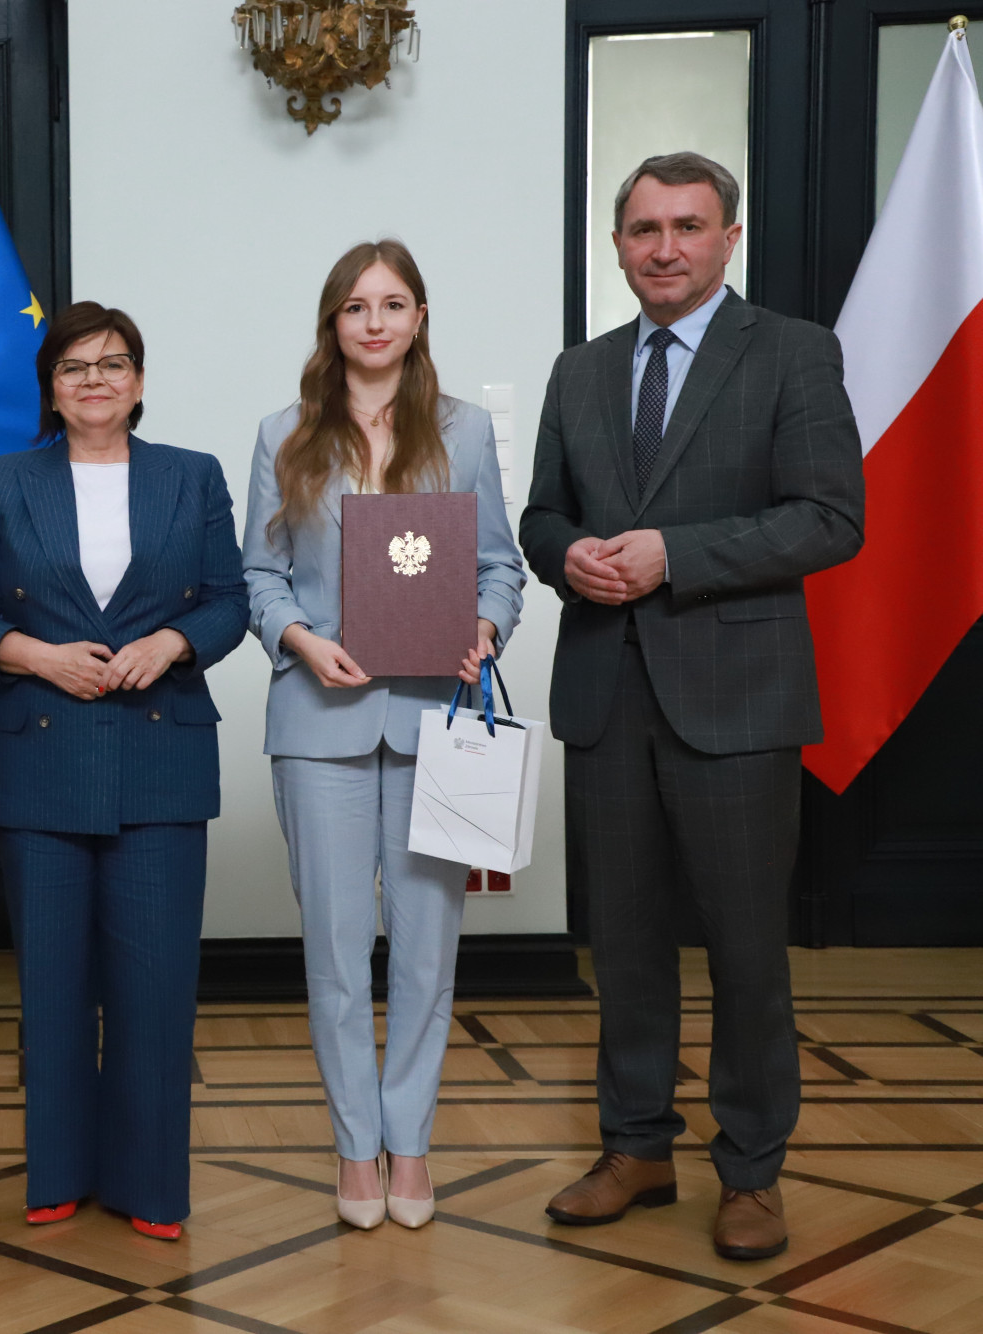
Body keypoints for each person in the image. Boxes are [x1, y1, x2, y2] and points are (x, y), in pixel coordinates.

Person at [521, 152, 864, 1260]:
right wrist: (565, 553)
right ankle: (634, 1147)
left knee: (743, 948)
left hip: (739, 699)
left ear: (726, 238)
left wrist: (678, 554)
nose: (662, 247)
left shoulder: (793, 354)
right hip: (607, 693)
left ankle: (750, 1167)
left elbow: (828, 518)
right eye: (641, 229)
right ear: (614, 243)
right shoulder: (579, 370)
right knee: (620, 944)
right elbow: (537, 515)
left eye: (685, 225)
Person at [0, 302, 246, 1240]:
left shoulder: (191, 478)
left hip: (159, 754)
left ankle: (152, 1188)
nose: (94, 379)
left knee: (157, 990)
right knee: (54, 985)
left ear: (141, 382)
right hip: (40, 755)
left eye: (113, 364)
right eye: (74, 367)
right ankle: (58, 1174)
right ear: (50, 389)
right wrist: (37, 656)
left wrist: (171, 641)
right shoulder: (2, 481)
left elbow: (231, 602)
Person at [242, 240, 526, 1231]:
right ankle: (352, 1150)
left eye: (391, 303)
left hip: (431, 724)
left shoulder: (464, 428)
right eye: (354, 305)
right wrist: (299, 642)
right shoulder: (284, 431)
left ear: (417, 318)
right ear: (331, 323)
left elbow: (500, 565)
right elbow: (259, 577)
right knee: (332, 949)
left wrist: (483, 626)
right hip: (316, 721)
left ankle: (409, 1142)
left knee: (422, 953)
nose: (372, 320)